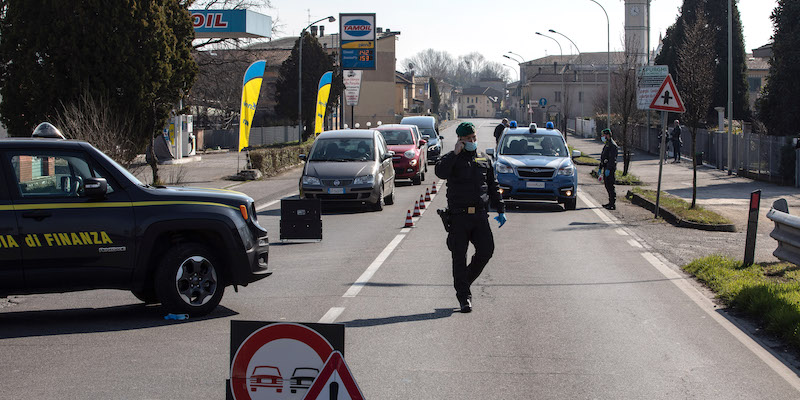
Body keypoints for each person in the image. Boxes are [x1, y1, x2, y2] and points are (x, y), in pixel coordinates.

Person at [435, 122, 506, 313]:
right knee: (459, 256)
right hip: (459, 217)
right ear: (460, 140)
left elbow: (493, 185)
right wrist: (454, 153)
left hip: (480, 215)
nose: (473, 141)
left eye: (474, 138)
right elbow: (440, 172)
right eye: (468, 139)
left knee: (486, 250)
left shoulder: (484, 158)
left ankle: (463, 281)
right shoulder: (453, 159)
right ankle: (464, 297)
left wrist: (500, 208)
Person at [598, 128, 618, 210]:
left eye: (604, 135)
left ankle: (612, 203)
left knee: (610, 186)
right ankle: (610, 202)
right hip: (606, 167)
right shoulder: (607, 144)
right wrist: (600, 167)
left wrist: (608, 169)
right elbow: (603, 157)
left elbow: (612, 159)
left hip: (610, 168)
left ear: (608, 135)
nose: (603, 137)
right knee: (607, 185)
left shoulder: (612, 145)